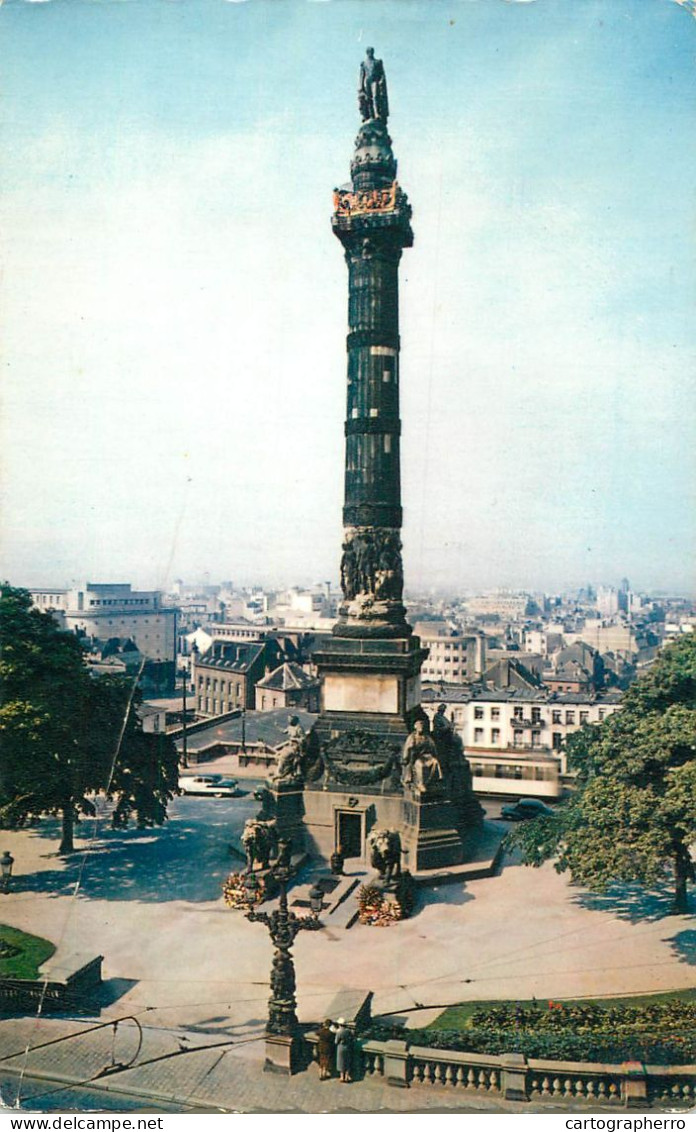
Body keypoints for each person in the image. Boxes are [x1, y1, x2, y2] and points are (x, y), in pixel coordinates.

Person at [332, 1017, 353, 1083]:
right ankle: (347, 1076)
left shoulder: (339, 1032)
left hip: (341, 1047)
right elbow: (352, 1038)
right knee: (347, 1061)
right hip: (347, 1047)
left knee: (341, 1062)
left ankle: (342, 1077)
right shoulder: (348, 1031)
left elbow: (336, 1042)